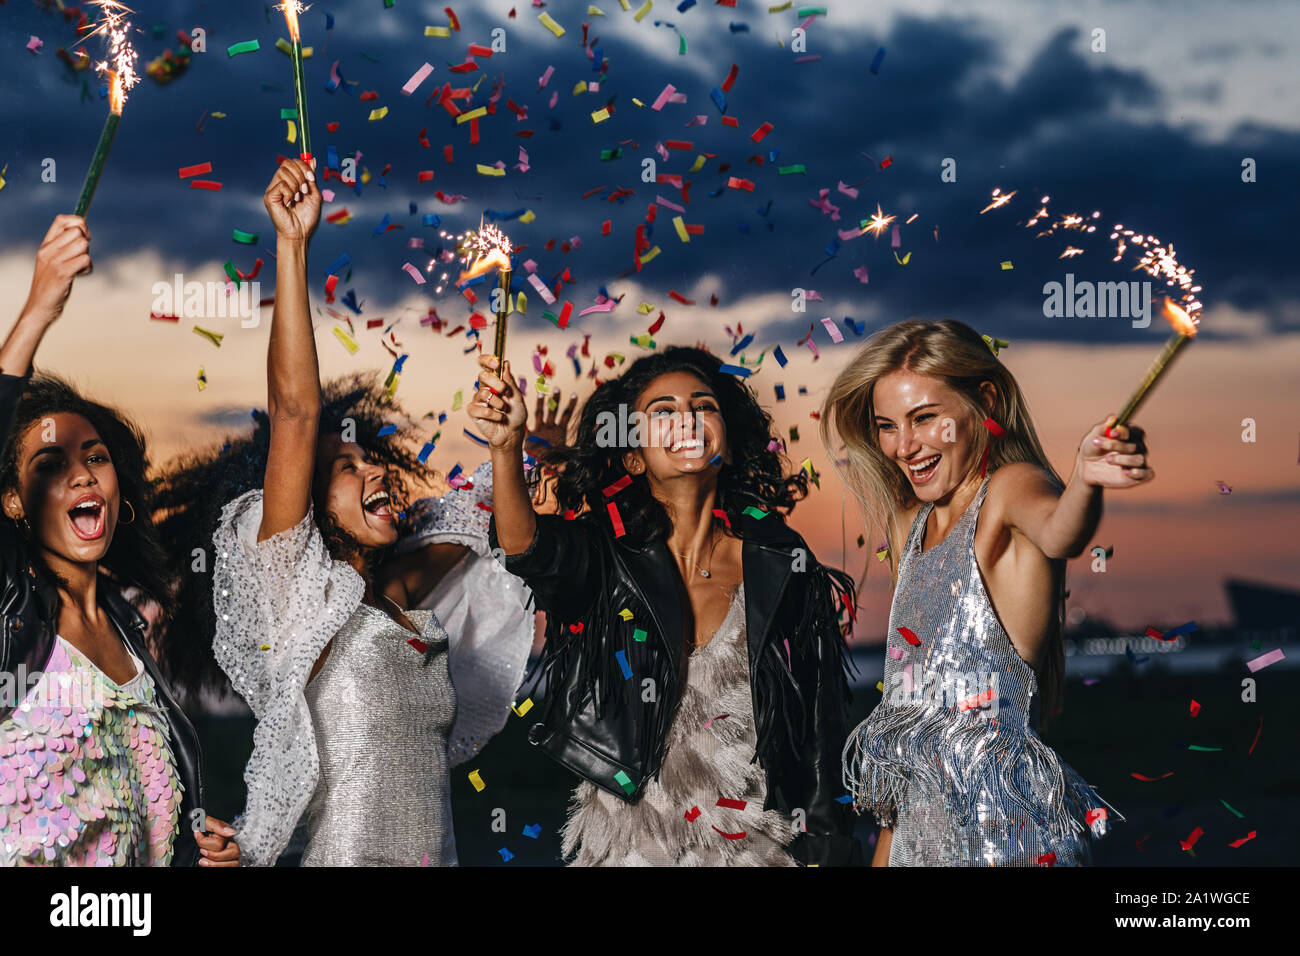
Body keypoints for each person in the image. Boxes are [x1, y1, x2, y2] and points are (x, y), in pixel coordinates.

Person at [153, 161, 532, 867]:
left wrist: (518, 450)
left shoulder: (406, 592)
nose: (374, 469)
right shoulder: (293, 591)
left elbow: (505, 537)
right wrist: (292, 247)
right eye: (344, 468)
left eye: (374, 459)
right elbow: (296, 412)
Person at [471, 346, 863, 866]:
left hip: (756, 847)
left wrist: (828, 849)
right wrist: (507, 449)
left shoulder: (781, 563)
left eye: (704, 405)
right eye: (663, 411)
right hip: (631, 846)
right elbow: (530, 551)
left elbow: (820, 725)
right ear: (633, 455)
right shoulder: (606, 555)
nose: (689, 419)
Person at [821, 319, 1140, 866]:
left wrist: (1086, 479)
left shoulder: (1010, 491)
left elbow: (1064, 530)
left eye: (925, 419)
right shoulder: (909, 527)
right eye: (887, 426)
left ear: (984, 401)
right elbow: (910, 749)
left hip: (1003, 843)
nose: (904, 445)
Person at [0, 215, 239, 866]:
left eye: (95, 456)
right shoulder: (9, 612)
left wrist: (202, 849)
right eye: (49, 462)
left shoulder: (129, 622)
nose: (80, 471)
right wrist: (38, 310)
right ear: (14, 503)